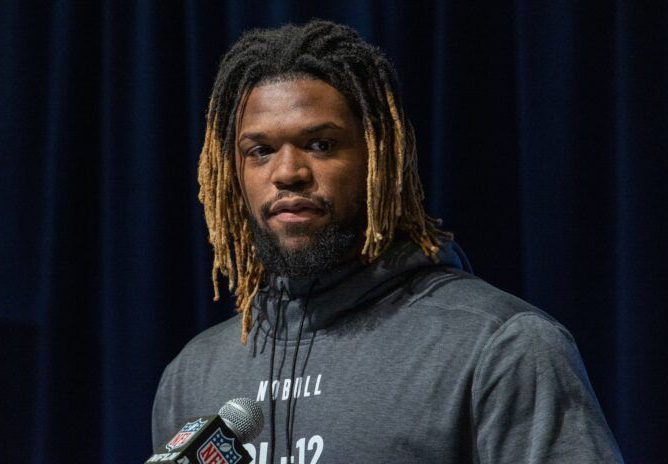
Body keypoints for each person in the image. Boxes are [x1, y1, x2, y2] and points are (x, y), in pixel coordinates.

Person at [152, 20, 624, 463]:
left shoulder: (500, 346)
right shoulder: (193, 374)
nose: (287, 173)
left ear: (382, 156)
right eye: (260, 151)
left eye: (321, 145)